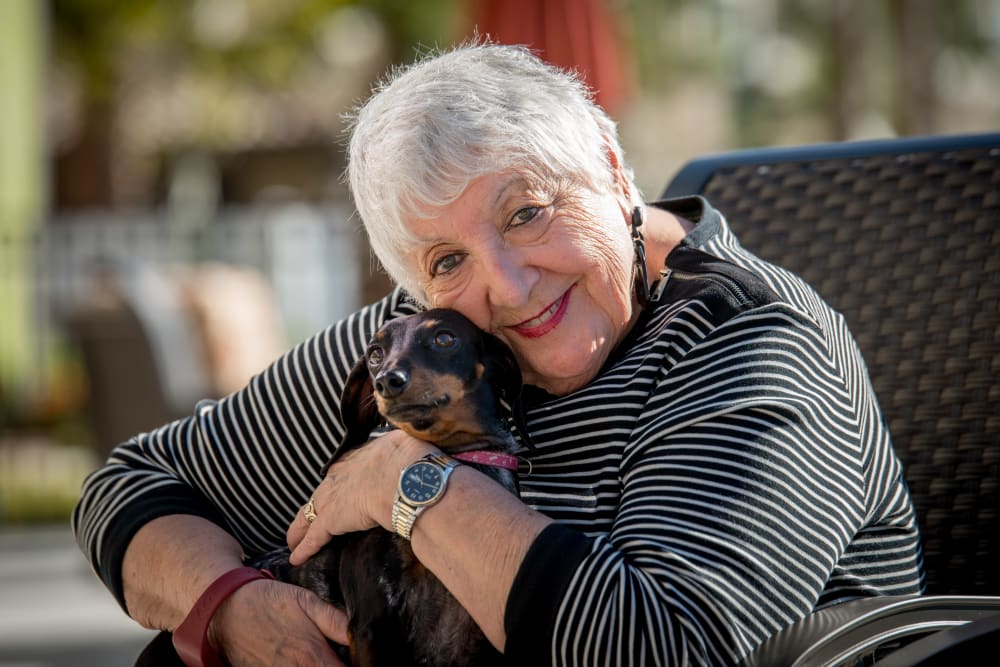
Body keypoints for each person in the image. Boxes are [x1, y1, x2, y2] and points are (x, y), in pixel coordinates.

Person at [73, 42, 923, 666]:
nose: (510, 288)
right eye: (447, 260)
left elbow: (660, 649)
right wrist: (229, 607)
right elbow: (131, 488)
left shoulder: (749, 344)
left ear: (614, 170)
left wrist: (409, 484)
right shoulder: (434, 341)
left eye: (526, 213)